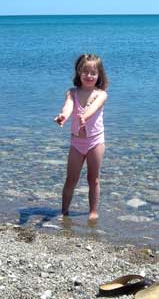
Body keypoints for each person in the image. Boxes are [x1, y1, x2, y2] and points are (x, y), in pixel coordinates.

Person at [54, 53, 108, 221]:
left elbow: (95, 107)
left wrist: (85, 116)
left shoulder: (101, 94)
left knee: (93, 179)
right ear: (78, 72)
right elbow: (68, 107)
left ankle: (92, 211)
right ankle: (64, 211)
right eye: (85, 72)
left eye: (93, 73)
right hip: (77, 142)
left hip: (95, 141)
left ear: (99, 75)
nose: (89, 76)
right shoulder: (72, 93)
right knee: (71, 178)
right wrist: (63, 116)